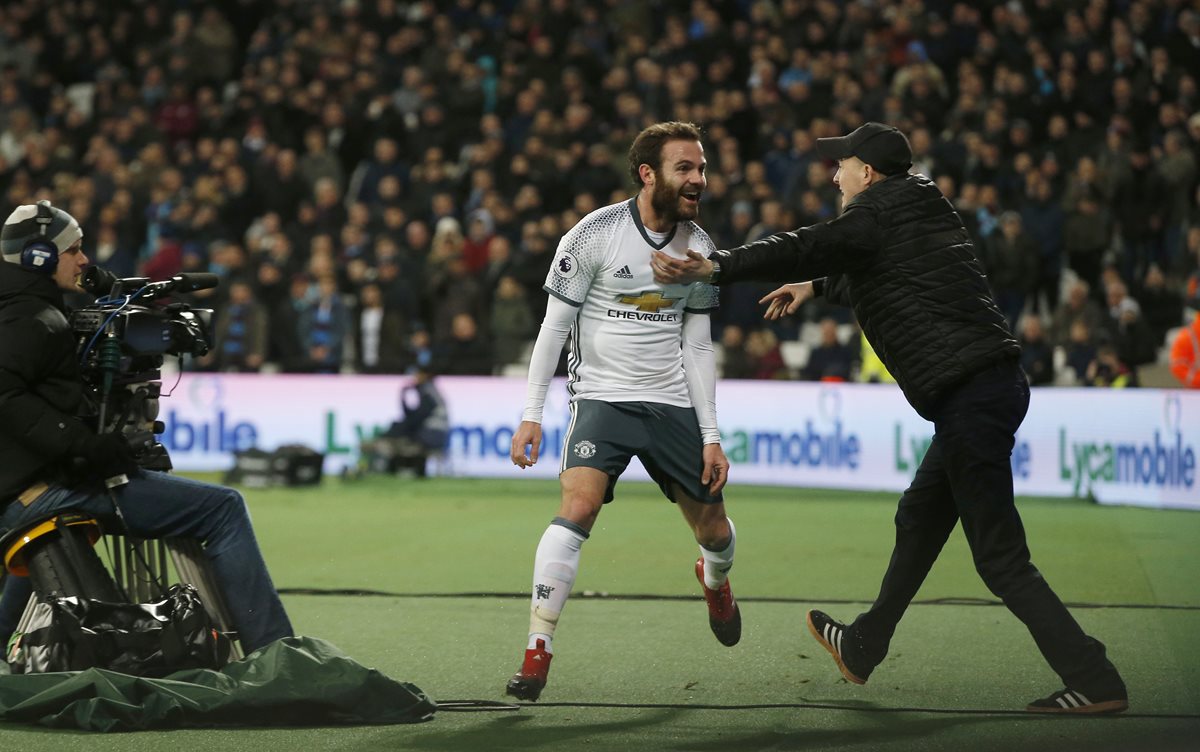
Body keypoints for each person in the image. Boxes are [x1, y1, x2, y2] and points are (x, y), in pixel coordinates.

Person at [651, 122, 1128, 714]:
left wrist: (717, 266)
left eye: (842, 165)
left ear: (868, 174)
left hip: (971, 398)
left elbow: (808, 243)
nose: (834, 174)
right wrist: (816, 286)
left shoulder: (874, 213)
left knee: (1000, 558)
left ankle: (1096, 679)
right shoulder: (922, 205)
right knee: (919, 520)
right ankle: (862, 645)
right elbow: (886, 276)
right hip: (984, 390)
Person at [506, 122, 737, 702]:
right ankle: (538, 650)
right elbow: (553, 330)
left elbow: (698, 346)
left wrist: (711, 435)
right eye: (686, 168)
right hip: (602, 401)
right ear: (648, 174)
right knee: (577, 507)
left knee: (713, 531)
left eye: (702, 168)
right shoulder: (593, 236)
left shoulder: (701, 250)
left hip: (672, 404)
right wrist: (531, 412)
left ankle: (713, 581)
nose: (698, 180)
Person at [0, 201, 293, 655]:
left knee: (52, 540)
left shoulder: (22, 309)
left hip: (24, 494)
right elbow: (5, 395)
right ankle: (276, 653)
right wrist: (84, 443)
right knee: (223, 509)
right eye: (73, 250)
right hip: (43, 493)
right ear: (38, 257)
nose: (83, 261)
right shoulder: (31, 318)